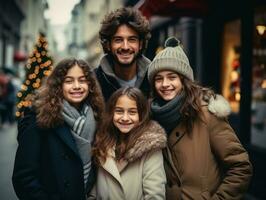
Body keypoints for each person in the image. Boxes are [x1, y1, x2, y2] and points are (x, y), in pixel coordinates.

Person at [148, 37, 253, 200]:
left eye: (172, 77)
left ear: (184, 80)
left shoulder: (206, 114)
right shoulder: (151, 117)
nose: (165, 84)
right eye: (158, 78)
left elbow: (240, 167)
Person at [12, 58, 105, 200]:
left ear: (90, 84)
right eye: (69, 81)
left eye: (82, 80)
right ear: (58, 85)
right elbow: (24, 177)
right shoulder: (38, 117)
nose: (77, 86)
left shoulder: (97, 116)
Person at [90, 87, 167, 199]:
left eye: (132, 112)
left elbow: (155, 196)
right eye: (119, 111)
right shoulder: (103, 144)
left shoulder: (150, 149)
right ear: (112, 113)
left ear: (141, 117)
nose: (125, 118)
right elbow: (94, 191)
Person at [95, 7, 151, 102]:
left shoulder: (153, 79)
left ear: (140, 44)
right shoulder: (94, 81)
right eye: (118, 40)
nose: (125, 47)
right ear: (108, 45)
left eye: (132, 39)